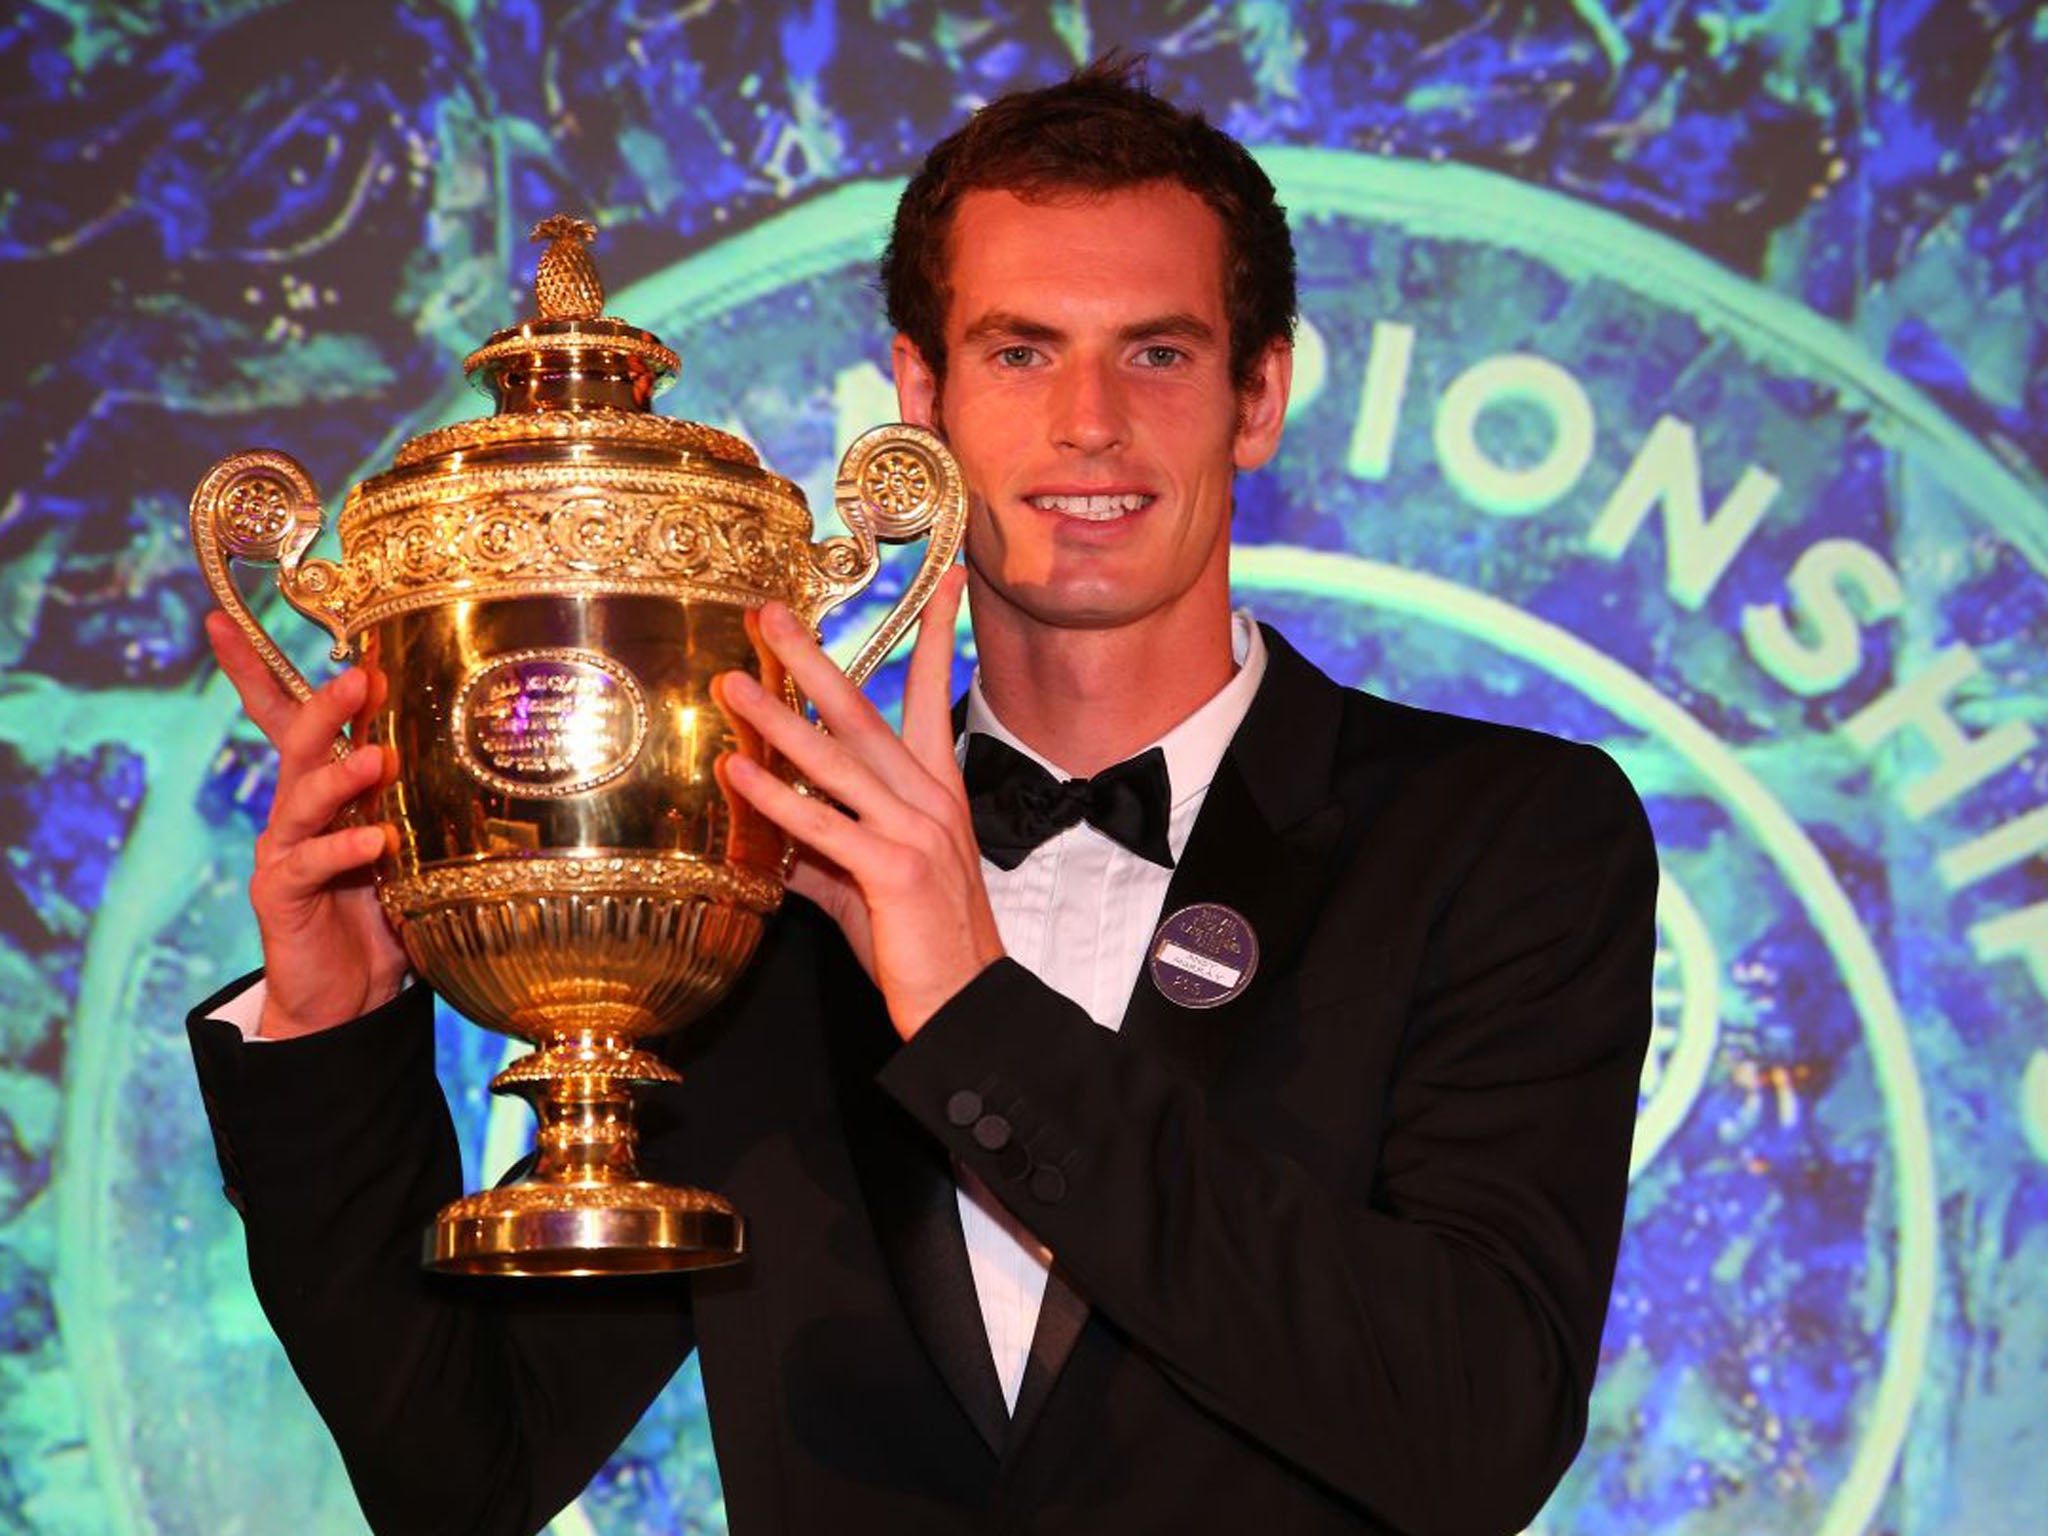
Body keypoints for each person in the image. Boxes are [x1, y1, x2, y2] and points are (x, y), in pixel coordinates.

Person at [189, 55, 1656, 1536]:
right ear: (918, 395)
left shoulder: (1506, 837)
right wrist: (335, 1034)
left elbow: (1474, 1432)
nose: (1090, 422)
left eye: (1156, 353)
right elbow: (463, 1472)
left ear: (1258, 394)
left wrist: (972, 1011)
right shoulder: (744, 876)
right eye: (1021, 353)